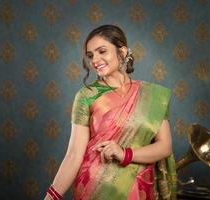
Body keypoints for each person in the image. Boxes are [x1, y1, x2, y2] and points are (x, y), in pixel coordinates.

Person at [45, 24, 177, 200]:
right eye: (91, 55)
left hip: (138, 190)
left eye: (102, 51)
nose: (95, 60)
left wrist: (125, 154)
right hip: (96, 190)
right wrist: (51, 197)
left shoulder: (153, 96)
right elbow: (74, 154)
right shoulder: (87, 96)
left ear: (121, 52)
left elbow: (164, 146)